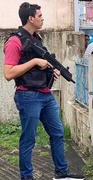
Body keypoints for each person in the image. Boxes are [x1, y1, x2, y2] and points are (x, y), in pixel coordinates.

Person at [3, 2, 84, 180]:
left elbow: (39, 65)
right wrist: (34, 62)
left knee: (57, 133)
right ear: (30, 18)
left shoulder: (36, 40)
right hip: (27, 95)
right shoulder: (14, 41)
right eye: (39, 16)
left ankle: (61, 173)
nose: (42, 18)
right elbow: (8, 73)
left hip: (45, 94)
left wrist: (51, 70)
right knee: (28, 139)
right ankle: (27, 177)